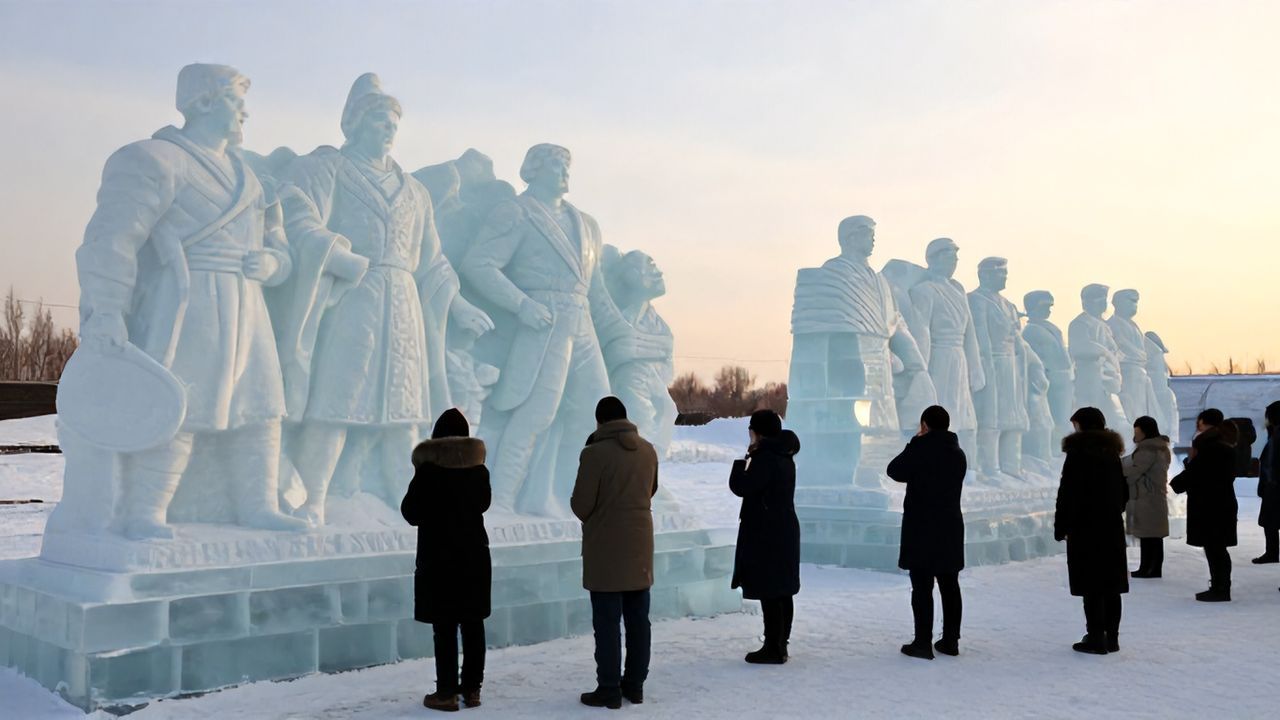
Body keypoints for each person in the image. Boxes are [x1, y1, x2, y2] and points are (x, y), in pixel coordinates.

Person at [400, 409, 492, 712]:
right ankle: (472, 689)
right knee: (473, 624)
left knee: (445, 626)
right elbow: (484, 504)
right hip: (474, 556)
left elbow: (410, 513)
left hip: (439, 557)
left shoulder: (429, 472)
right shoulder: (479, 471)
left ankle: (447, 692)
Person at [571, 397, 659, 709]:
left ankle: (608, 688)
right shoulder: (648, 450)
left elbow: (581, 505)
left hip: (605, 549)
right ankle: (634, 685)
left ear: (599, 422)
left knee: (607, 622)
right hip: (639, 547)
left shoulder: (594, 454)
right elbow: (651, 490)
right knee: (639, 621)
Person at [887, 405, 967, 660]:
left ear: (924, 425)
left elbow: (894, 470)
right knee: (949, 584)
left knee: (922, 586)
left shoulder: (920, 450)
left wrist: (914, 443)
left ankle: (923, 642)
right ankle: (951, 641)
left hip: (922, 526)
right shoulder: (958, 453)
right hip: (950, 525)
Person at [730, 409, 802, 665]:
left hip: (766, 530)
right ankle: (780, 643)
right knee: (782, 589)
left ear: (757, 432)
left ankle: (773, 646)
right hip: (783, 527)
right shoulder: (784, 453)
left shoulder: (766, 457)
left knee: (771, 588)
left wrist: (744, 458)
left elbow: (742, 486)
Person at [1054, 407, 1128, 655]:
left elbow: (1068, 493)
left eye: (1075, 424)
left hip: (1084, 527)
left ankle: (1096, 636)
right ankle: (1112, 637)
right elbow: (1123, 492)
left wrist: (1061, 525)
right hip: (1110, 526)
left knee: (1091, 584)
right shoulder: (1112, 453)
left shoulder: (1078, 453)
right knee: (1111, 583)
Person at [1171, 409, 1239, 602]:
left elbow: (1199, 472)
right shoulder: (1221, 444)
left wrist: (1178, 482)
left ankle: (1220, 587)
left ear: (1202, 422)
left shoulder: (1211, 447)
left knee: (1215, 547)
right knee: (1215, 547)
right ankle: (1219, 585)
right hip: (1218, 502)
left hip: (1211, 504)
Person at [1125, 416, 1172, 578]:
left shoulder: (1148, 449)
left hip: (1146, 497)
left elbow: (1135, 470)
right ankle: (1153, 568)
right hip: (1155, 496)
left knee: (1148, 536)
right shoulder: (1160, 447)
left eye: (1137, 431)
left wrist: (1119, 473)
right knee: (1154, 536)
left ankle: (1147, 568)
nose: (1135, 435)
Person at [1253, 401, 1280, 565]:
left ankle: (1272, 553)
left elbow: (1272, 463)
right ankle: (1271, 552)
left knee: (1270, 522)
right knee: (1270, 522)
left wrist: (1270, 482)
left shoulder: (1277, 436)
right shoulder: (1275, 434)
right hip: (1273, 486)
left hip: (1275, 486)